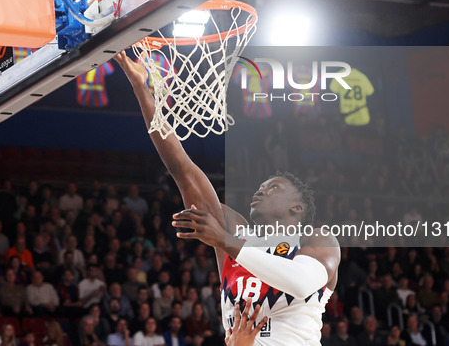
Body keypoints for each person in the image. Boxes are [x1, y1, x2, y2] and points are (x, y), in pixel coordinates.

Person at [113, 51, 341, 345]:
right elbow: (182, 170)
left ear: (297, 207)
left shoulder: (316, 241)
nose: (260, 190)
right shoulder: (233, 233)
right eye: (261, 186)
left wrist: (225, 241)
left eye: (274, 188)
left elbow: (300, 283)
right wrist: (140, 88)